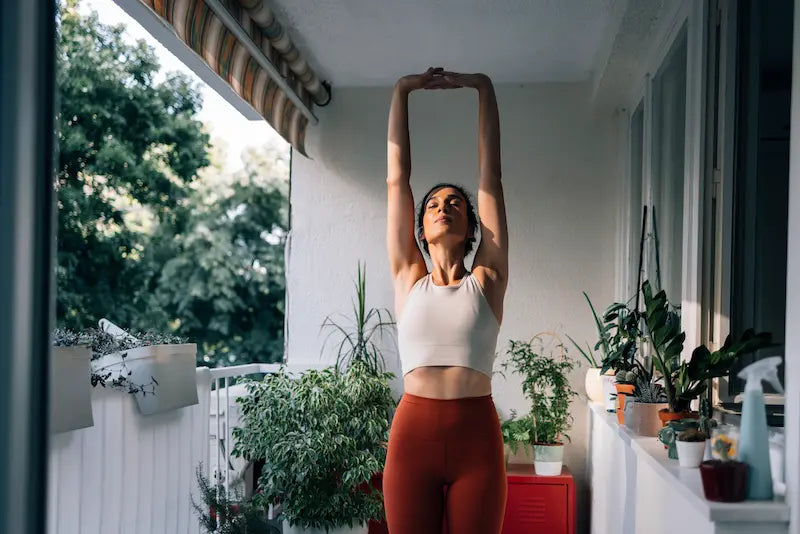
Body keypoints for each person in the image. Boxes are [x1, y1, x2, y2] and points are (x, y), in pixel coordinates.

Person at [382, 67, 509, 534]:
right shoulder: (408, 276)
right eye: (434, 204)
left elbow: (490, 176)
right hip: (412, 437)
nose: (443, 207)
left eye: (454, 203)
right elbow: (398, 180)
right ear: (421, 229)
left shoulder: (488, 279)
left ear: (472, 229)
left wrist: (483, 87)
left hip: (476, 439)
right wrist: (402, 90)